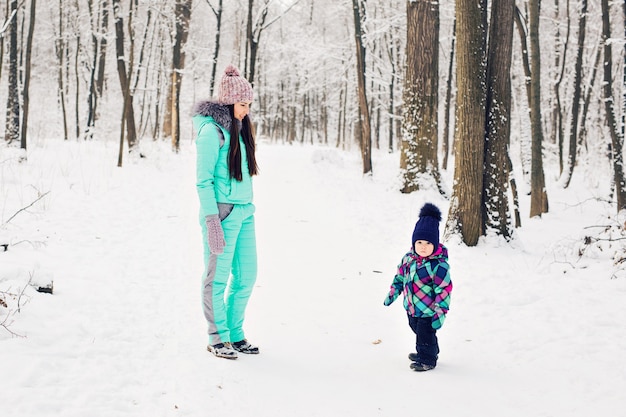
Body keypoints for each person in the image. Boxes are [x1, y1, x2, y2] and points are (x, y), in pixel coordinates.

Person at [192, 65, 260, 360]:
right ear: (229, 102)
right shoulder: (211, 132)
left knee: (246, 276)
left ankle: (234, 333)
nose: (246, 110)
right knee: (216, 278)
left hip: (245, 211)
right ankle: (217, 336)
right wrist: (212, 221)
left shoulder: (240, 129)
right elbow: (203, 181)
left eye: (248, 105)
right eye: (243, 104)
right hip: (221, 214)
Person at [383, 203, 452, 371]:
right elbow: (400, 276)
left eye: (428, 243)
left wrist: (440, 312)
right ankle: (428, 350)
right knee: (415, 328)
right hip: (412, 306)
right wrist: (393, 293)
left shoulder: (438, 266)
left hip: (428, 310)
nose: (422, 246)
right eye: (419, 242)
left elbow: (444, 290)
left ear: (435, 244)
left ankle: (427, 359)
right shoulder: (408, 259)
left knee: (425, 333)